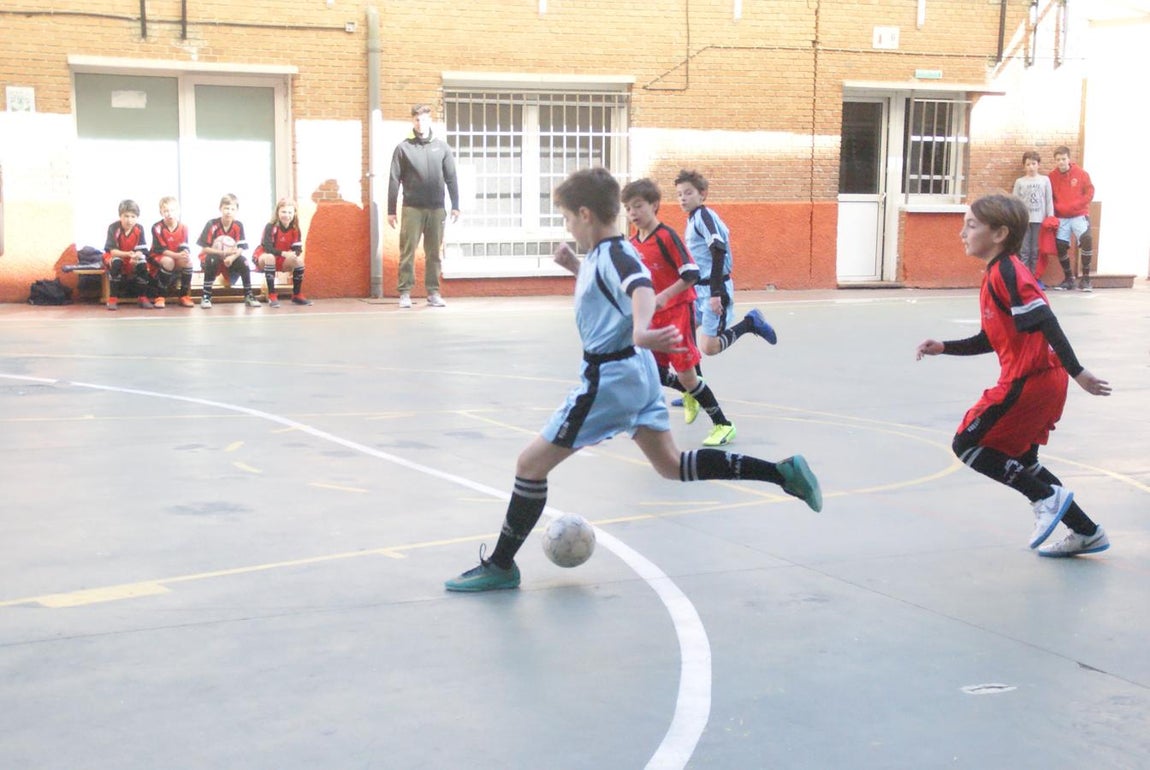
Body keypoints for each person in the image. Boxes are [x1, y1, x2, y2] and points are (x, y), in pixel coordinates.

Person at [445, 168, 822, 592]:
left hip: (610, 377)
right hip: (637, 371)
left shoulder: (620, 255)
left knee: (529, 466)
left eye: (568, 218)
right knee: (671, 465)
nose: (567, 226)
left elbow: (639, 284)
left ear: (585, 214)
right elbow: (607, 287)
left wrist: (643, 326)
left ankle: (500, 565)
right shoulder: (606, 253)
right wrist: (575, 266)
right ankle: (782, 473)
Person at [915, 193, 1112, 558]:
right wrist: (945, 346)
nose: (963, 233)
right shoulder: (996, 274)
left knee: (968, 445)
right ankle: (1087, 532)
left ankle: (1045, 498)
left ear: (1000, 233)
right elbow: (992, 338)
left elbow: (1046, 321)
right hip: (1043, 381)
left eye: (971, 225)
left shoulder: (1008, 272)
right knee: (1023, 462)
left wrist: (1079, 371)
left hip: (1032, 381)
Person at [622, 177, 743, 447]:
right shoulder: (633, 243)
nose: (633, 213)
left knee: (688, 374)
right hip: (654, 317)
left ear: (654, 206)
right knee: (652, 369)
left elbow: (690, 273)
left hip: (678, 311)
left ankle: (723, 425)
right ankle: (690, 392)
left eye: (638, 206)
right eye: (628, 208)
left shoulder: (666, 236)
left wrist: (665, 295)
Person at [674, 169, 777, 357]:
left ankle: (750, 323)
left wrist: (715, 293)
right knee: (681, 332)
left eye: (688, 193)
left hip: (715, 288)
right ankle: (692, 379)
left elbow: (718, 249)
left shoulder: (703, 217)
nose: (683, 198)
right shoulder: (694, 219)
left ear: (702, 194)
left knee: (709, 347)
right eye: (679, 194)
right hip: (698, 289)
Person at [387, 104, 460, 309]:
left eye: (424, 119)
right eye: (417, 120)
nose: (421, 123)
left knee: (434, 252)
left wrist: (456, 204)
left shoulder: (442, 147)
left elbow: (451, 177)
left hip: (437, 208)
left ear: (430, 121)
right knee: (408, 251)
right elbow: (394, 179)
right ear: (413, 121)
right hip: (412, 208)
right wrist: (391, 210)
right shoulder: (403, 148)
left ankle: (434, 292)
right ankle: (405, 293)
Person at [196, 193, 260, 309]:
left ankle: (249, 295)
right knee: (211, 259)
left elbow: (241, 247)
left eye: (232, 209)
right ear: (220, 208)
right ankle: (206, 296)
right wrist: (223, 253)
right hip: (212, 258)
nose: (228, 211)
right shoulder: (212, 224)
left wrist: (232, 258)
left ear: (236, 211)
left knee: (244, 262)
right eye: (226, 208)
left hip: (229, 260)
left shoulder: (238, 225)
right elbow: (204, 248)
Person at [1048, 146, 1096, 292]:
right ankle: (1069, 279)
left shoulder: (1081, 174)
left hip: (1079, 215)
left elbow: (1090, 191)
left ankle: (1086, 279)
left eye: (1063, 159)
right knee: (1061, 246)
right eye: (1058, 159)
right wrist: (1057, 209)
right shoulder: (1051, 176)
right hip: (1062, 217)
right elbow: (1050, 196)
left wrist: (1078, 204)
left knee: (1087, 240)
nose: (1061, 162)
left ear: (1069, 159)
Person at [254, 198, 312, 307]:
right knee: (270, 257)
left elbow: (298, 249)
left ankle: (297, 295)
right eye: (283, 212)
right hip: (264, 256)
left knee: (299, 262)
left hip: (282, 259)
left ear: (294, 213)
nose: (287, 215)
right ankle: (272, 295)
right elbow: (267, 248)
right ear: (278, 212)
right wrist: (285, 254)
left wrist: (294, 255)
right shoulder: (270, 226)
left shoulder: (295, 228)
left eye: (290, 212)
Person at [1011, 150, 1054, 282]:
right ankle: (1024, 279)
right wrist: (1015, 218)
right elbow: (1015, 201)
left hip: (1039, 220)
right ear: (1024, 166)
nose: (1031, 167)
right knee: (1024, 251)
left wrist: (1050, 217)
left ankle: (1035, 278)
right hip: (1025, 221)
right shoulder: (1020, 182)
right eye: (1028, 164)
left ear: (1038, 165)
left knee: (1036, 250)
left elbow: (1049, 199)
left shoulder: (1045, 180)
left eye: (1033, 164)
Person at [103, 199, 152, 311]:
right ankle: (113, 299)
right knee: (116, 263)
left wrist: (136, 256)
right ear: (120, 216)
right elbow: (112, 251)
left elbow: (142, 249)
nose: (129, 220)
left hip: (131, 257)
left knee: (142, 265)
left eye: (133, 216)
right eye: (126, 216)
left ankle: (142, 297)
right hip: (117, 255)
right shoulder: (113, 228)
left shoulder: (139, 228)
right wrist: (128, 254)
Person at [149, 196, 194, 308]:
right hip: (158, 256)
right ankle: (160, 296)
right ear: (161, 212)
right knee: (169, 262)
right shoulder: (157, 227)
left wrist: (185, 253)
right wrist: (177, 255)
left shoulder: (184, 227)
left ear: (178, 211)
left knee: (188, 262)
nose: (169, 213)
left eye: (172, 210)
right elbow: (160, 250)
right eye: (166, 211)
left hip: (176, 256)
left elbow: (184, 246)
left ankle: (184, 296)